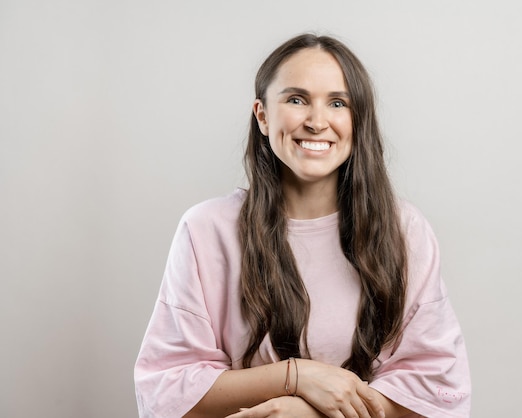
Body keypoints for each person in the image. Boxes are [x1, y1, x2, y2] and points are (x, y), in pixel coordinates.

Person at [134, 33, 471, 418]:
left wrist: (304, 412)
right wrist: (295, 376)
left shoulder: (404, 230)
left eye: (338, 103)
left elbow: (437, 392)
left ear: (357, 120)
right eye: (296, 99)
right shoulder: (205, 229)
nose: (316, 121)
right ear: (262, 115)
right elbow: (166, 392)